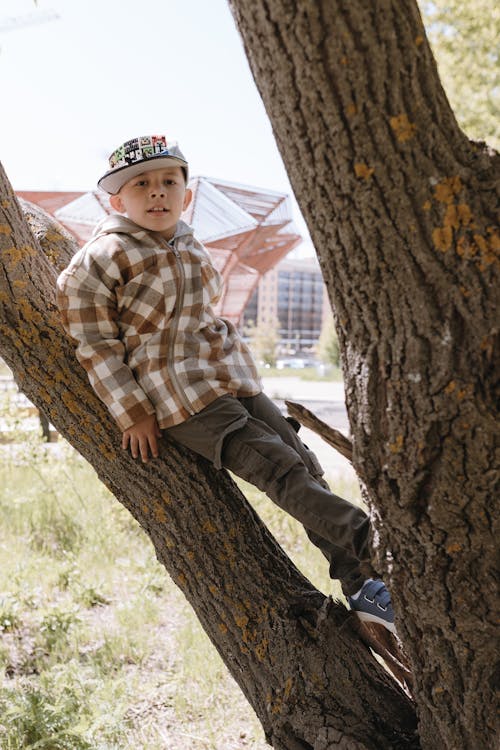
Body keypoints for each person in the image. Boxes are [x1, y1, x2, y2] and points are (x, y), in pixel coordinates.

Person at [56, 135, 396, 633]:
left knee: (304, 463)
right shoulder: (104, 255)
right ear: (117, 200)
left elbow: (206, 315)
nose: (157, 193)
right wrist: (132, 410)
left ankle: (362, 584)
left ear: (186, 194)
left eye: (169, 182)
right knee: (277, 467)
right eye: (141, 184)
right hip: (179, 394)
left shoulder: (190, 245)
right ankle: (378, 547)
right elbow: (94, 340)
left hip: (231, 379)